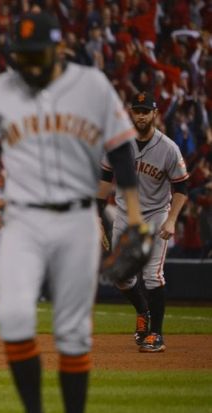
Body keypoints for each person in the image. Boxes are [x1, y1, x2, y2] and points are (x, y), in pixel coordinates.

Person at [0, 12, 145, 413]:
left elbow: (121, 150)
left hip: (77, 220)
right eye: (24, 55)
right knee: (13, 317)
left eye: (38, 54)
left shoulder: (92, 86)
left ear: (58, 49)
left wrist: (134, 216)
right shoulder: (3, 89)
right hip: (23, 220)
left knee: (72, 333)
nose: (30, 63)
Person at [97, 91, 189, 353]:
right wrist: (95, 214)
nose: (140, 115)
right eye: (136, 110)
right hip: (125, 214)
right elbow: (104, 180)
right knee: (120, 277)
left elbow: (182, 188)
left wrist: (171, 220)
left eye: (145, 110)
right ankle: (143, 312)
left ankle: (156, 335)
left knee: (152, 275)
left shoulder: (169, 148)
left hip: (156, 214)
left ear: (154, 113)